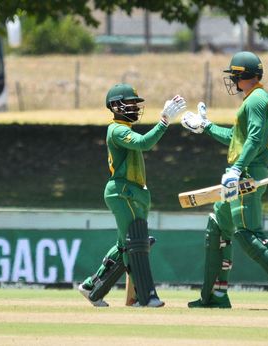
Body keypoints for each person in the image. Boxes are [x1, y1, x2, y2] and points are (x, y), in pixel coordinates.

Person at [181, 51, 268, 310]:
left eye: (234, 75)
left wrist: (237, 168)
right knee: (217, 227)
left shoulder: (256, 100)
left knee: (248, 234)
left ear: (243, 75)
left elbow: (253, 139)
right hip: (241, 170)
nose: (231, 80)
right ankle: (214, 296)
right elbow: (237, 137)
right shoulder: (255, 99)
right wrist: (206, 126)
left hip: (246, 173)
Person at [78, 83, 186, 307]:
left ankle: (91, 287)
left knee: (123, 246)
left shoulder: (125, 128)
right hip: (121, 192)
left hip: (131, 192)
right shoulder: (117, 130)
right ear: (116, 106)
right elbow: (144, 143)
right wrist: (164, 121)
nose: (135, 107)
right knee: (134, 242)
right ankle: (144, 296)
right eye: (131, 103)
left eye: (137, 104)